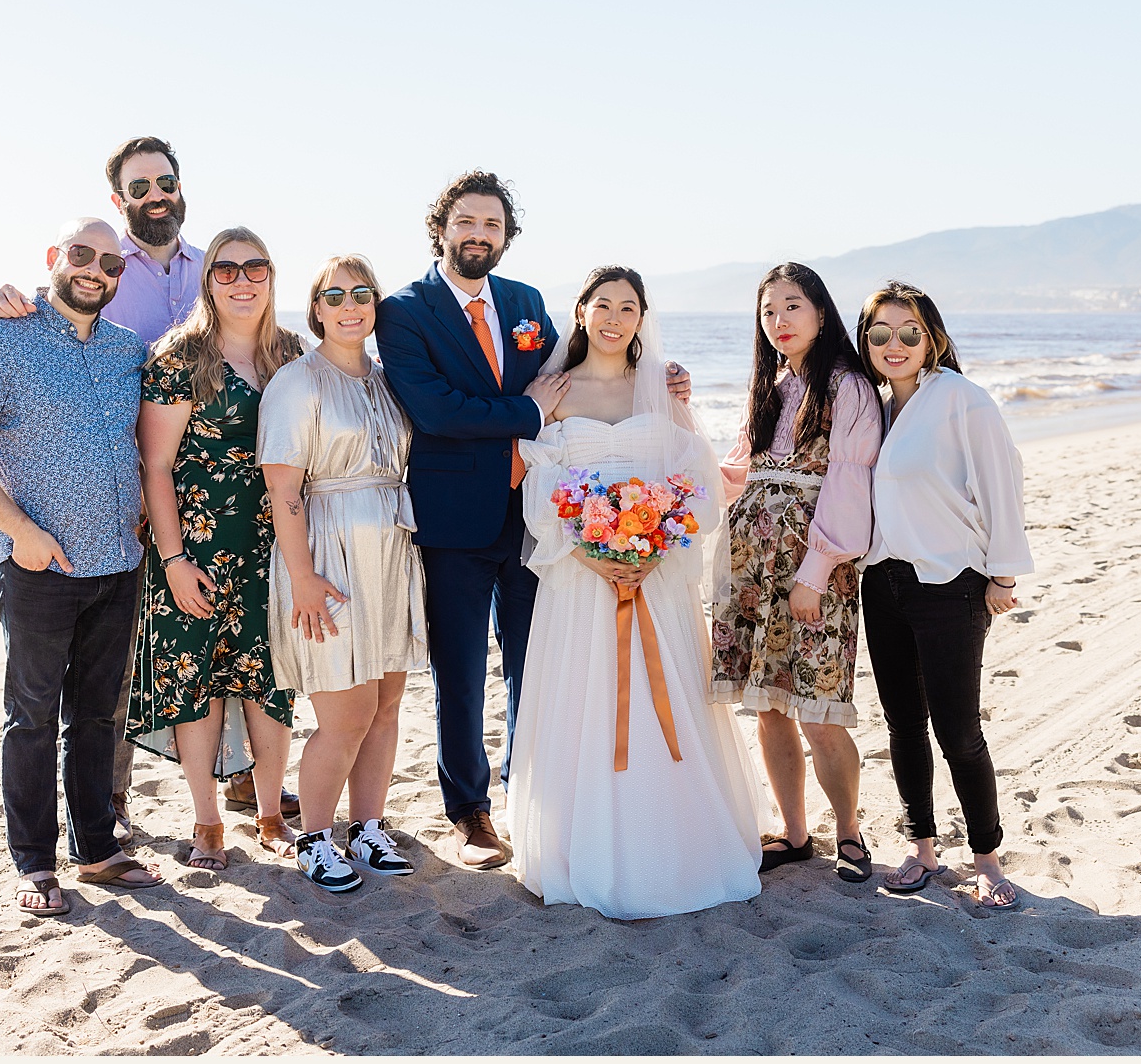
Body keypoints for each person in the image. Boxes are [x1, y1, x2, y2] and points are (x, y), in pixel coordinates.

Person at [372, 171, 692, 869]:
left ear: (506, 236)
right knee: (459, 672)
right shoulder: (403, 312)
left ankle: (533, 798)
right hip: (453, 520)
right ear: (442, 229)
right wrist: (529, 413)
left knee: (535, 665)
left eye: (492, 224)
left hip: (534, 519)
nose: (479, 234)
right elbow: (438, 411)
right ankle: (471, 812)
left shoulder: (525, 303)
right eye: (467, 222)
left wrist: (653, 383)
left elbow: (572, 370)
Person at [0, 137, 297, 832]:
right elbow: (62, 314)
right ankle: (113, 804)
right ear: (120, 199)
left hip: (221, 496)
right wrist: (10, 298)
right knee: (127, 667)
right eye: (140, 186)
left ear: (180, 187)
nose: (156, 194)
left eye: (165, 181)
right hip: (124, 497)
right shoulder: (106, 266)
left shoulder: (211, 263)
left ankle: (245, 784)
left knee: (236, 648)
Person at [505, 267, 763, 918]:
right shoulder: (555, 391)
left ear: (642, 316)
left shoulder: (663, 389)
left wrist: (654, 544)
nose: (615, 317)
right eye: (603, 305)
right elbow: (540, 482)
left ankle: (678, 846)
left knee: (664, 701)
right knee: (583, 699)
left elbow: (696, 476)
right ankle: (580, 847)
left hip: (657, 581)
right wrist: (594, 551)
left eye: (628, 306)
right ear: (582, 311)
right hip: (581, 583)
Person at [0, 217, 165, 916]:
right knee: (30, 718)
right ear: (54, 259)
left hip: (118, 562)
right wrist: (21, 533)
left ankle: (96, 849)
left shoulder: (129, 351)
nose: (96, 269)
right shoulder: (4, 340)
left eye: (111, 263)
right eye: (82, 254)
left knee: (97, 717)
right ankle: (32, 865)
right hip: (37, 567)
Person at [128, 226, 306, 869]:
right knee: (194, 684)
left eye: (254, 267)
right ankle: (207, 821)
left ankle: (267, 814)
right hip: (195, 550)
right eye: (226, 269)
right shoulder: (180, 356)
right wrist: (172, 561)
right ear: (208, 281)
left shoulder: (293, 355)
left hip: (276, 547)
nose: (241, 280)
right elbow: (155, 469)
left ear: (271, 276)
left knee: (272, 682)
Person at [855, 282, 1032, 909]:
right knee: (903, 726)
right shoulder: (868, 407)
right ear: (865, 341)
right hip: (881, 582)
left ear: (932, 337)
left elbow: (1003, 484)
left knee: (958, 730)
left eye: (910, 332)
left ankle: (987, 858)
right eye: (880, 334)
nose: (894, 344)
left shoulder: (963, 400)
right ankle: (922, 849)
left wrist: (1003, 575)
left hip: (951, 583)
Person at [709, 262, 883, 883]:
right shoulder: (770, 386)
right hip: (752, 560)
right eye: (768, 311)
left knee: (818, 707)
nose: (779, 321)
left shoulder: (847, 387)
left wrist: (815, 570)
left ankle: (850, 834)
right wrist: (677, 417)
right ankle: (794, 832)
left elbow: (849, 485)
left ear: (820, 312)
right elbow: (735, 476)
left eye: (792, 307)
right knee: (770, 707)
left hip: (814, 564)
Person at [259, 256, 424, 893]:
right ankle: (314, 838)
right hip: (326, 553)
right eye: (336, 295)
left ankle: (369, 826)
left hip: (389, 552)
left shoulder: (387, 381)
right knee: (345, 712)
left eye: (362, 293)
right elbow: (284, 489)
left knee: (385, 705)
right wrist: (301, 576)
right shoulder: (299, 382)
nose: (350, 304)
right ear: (318, 308)